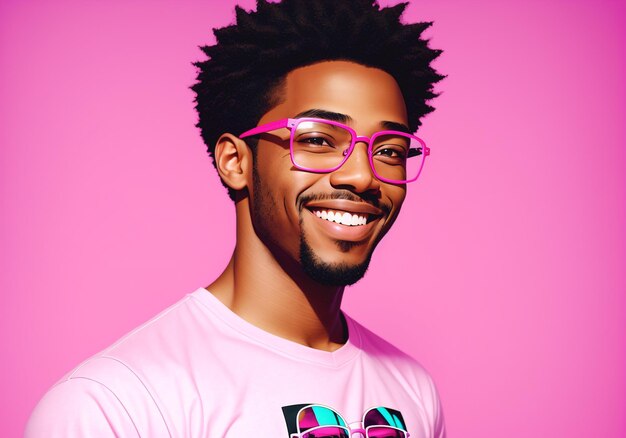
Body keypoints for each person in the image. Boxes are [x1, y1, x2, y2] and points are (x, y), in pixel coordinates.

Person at [26, 0, 445, 436]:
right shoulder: (116, 404)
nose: (361, 175)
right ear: (235, 161)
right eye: (319, 140)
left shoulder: (413, 390)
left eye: (390, 150)